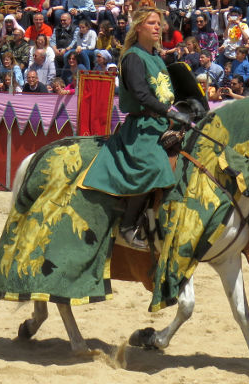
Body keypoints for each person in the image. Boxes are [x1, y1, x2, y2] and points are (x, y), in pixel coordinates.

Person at [81, 7, 189, 248]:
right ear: (138, 27)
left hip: (162, 120)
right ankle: (128, 226)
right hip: (142, 125)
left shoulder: (156, 56)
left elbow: (165, 92)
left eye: (159, 23)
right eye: (151, 23)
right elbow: (142, 94)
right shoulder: (132, 57)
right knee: (152, 166)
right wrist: (170, 112)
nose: (157, 27)